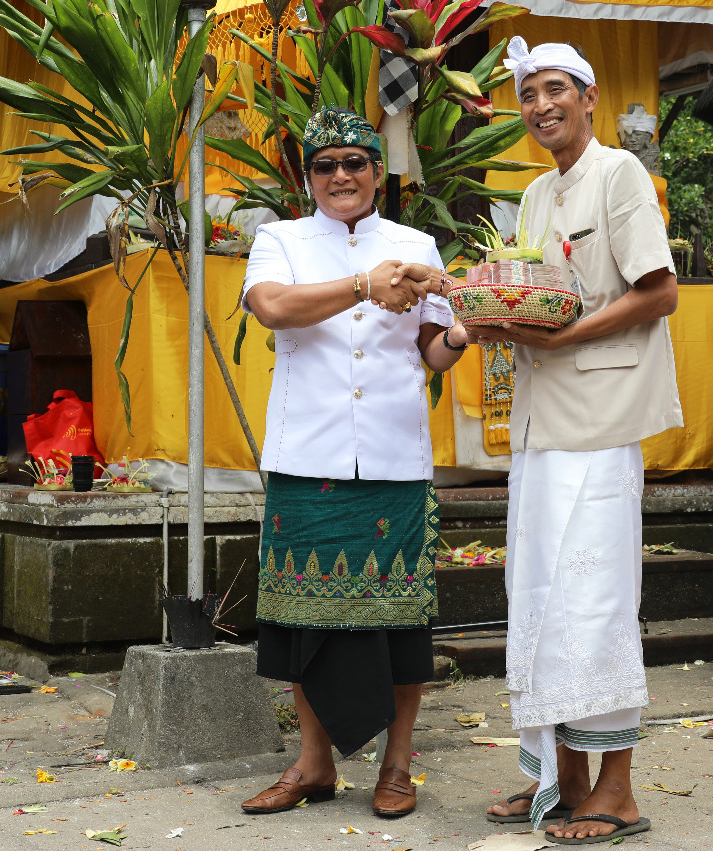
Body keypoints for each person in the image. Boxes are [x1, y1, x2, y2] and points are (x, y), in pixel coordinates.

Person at [474, 37, 682, 845]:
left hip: (598, 418)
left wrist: (562, 339)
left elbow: (658, 291)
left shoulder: (620, 173)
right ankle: (562, 778)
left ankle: (618, 789)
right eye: (528, 95)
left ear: (590, 97)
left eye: (555, 89)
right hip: (538, 423)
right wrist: (492, 318)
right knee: (539, 595)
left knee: (594, 599)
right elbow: (535, 295)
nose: (541, 106)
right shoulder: (532, 195)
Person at [237, 107, 470, 821]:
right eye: (326, 164)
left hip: (396, 456)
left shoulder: (415, 241)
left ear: (378, 170)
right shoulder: (279, 239)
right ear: (307, 176)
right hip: (307, 453)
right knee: (303, 619)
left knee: (400, 623)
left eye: (355, 163)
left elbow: (429, 349)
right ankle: (313, 763)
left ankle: (397, 766)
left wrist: (461, 332)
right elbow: (272, 307)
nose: (342, 175)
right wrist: (365, 286)